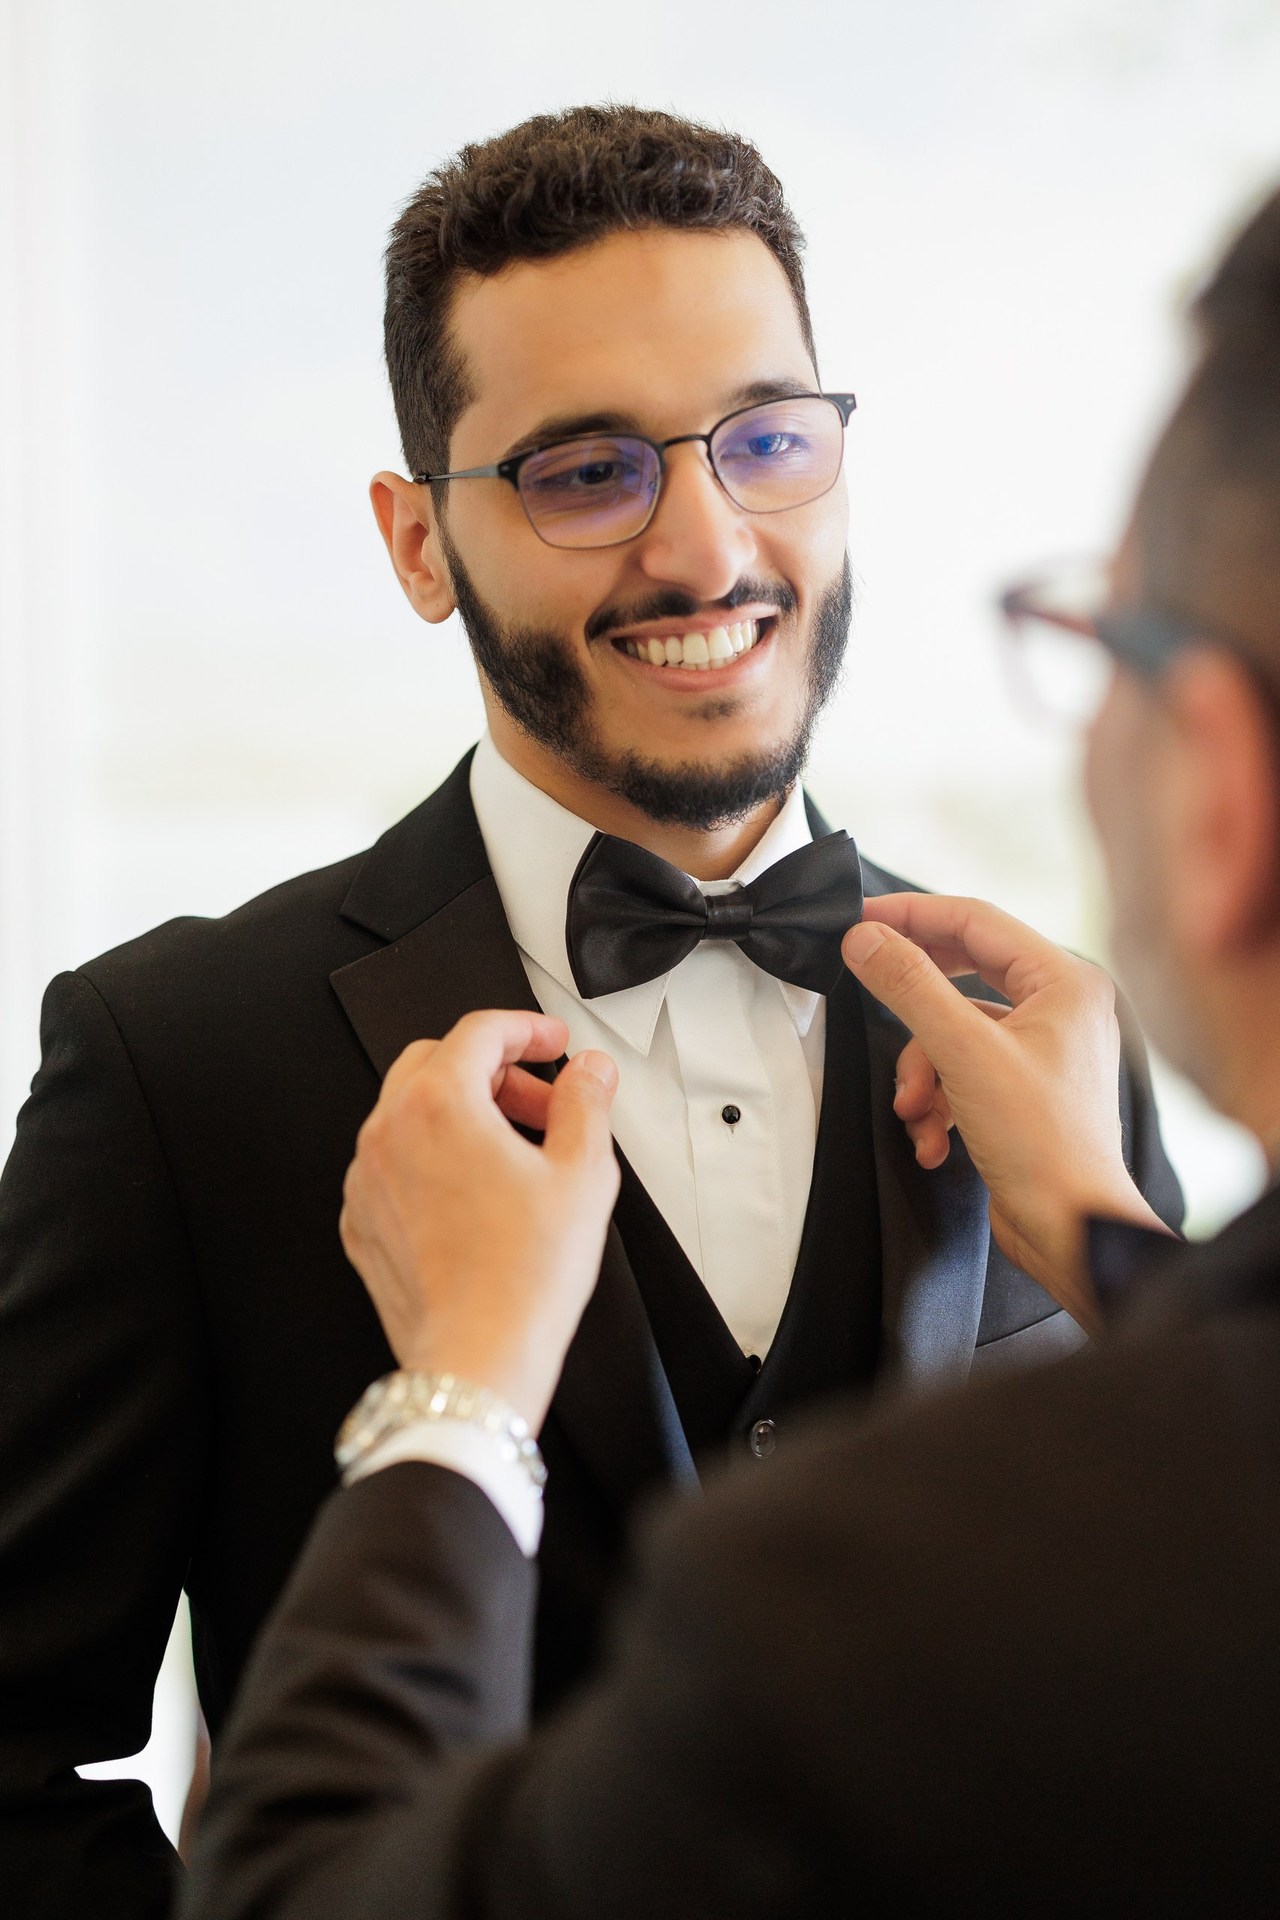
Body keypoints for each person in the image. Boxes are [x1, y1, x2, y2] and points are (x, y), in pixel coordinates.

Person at [0, 106, 1177, 1918]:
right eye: (586, 471)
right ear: (418, 544)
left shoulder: (1050, 1032)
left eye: (766, 440)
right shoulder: (175, 1065)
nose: (707, 551)